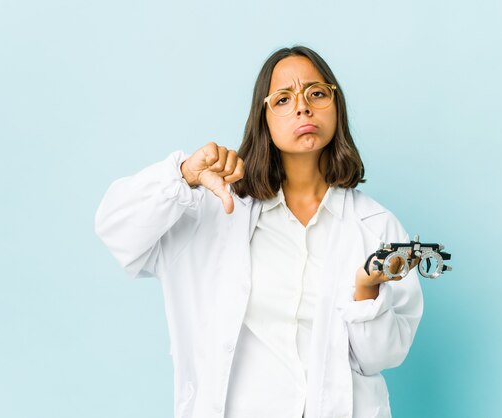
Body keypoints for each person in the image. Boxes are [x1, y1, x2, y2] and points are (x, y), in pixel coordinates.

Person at [95, 45, 423, 418]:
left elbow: (383, 356)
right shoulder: (216, 209)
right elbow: (117, 230)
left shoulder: (377, 225)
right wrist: (183, 174)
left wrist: (366, 290)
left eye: (316, 93)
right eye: (283, 98)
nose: (303, 107)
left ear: (336, 105)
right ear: (262, 118)